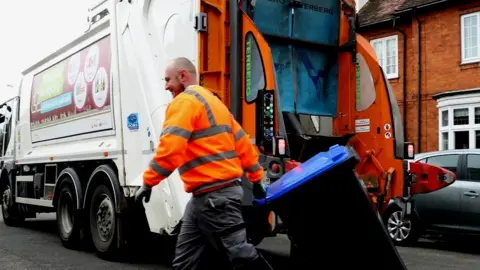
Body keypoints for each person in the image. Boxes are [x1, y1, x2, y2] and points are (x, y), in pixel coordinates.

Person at [135, 57, 273, 270]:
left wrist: (148, 183)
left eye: (168, 80)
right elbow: (243, 144)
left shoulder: (183, 102)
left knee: (241, 254)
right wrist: (256, 181)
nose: (166, 86)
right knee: (185, 262)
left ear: (183, 76)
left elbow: (170, 149)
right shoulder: (215, 103)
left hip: (215, 197)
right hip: (207, 197)